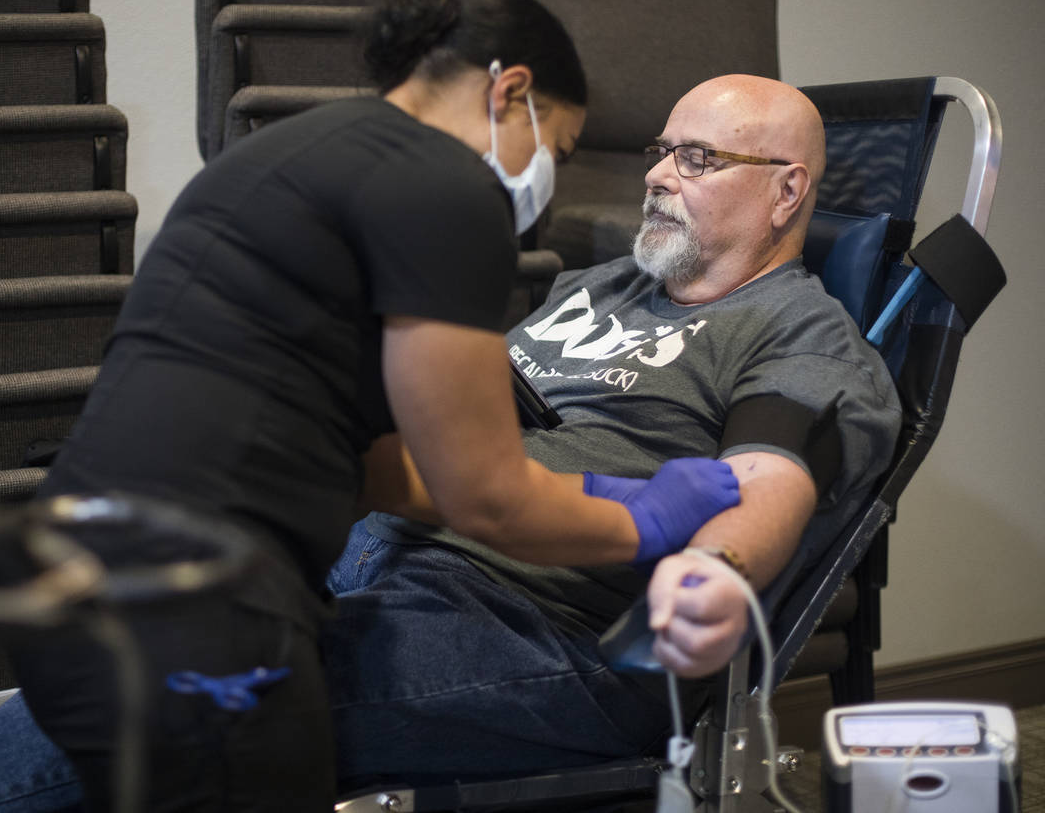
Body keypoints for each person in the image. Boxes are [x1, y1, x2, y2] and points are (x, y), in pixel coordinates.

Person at [0, 0, 739, 813]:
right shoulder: (446, 187)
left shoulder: (300, 153)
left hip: (90, 569)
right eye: (560, 147)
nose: (548, 174)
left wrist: (585, 498)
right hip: (204, 611)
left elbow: (382, 469)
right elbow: (486, 495)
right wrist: (644, 518)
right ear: (511, 91)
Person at [321, 74, 904, 785]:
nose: (657, 174)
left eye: (697, 158)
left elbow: (770, 474)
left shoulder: (800, 333)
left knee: (218, 699)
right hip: (376, 536)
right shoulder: (600, 284)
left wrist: (716, 569)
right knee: (174, 608)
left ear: (786, 193)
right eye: (663, 150)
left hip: (525, 617)